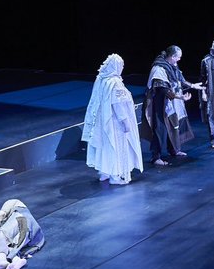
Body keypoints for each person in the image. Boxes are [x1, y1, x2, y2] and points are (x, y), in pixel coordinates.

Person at [81, 53, 143, 185]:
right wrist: (125, 121)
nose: (122, 67)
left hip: (102, 120)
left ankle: (105, 172)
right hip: (114, 122)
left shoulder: (101, 79)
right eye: (121, 65)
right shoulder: (114, 83)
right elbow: (118, 104)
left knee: (105, 146)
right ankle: (115, 176)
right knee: (116, 146)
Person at [142, 45, 202, 166]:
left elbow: (179, 79)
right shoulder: (159, 68)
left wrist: (192, 85)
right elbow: (163, 89)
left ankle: (174, 149)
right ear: (172, 56)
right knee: (160, 128)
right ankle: (156, 156)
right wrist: (180, 97)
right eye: (178, 57)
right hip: (160, 102)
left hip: (172, 101)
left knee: (174, 124)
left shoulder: (172, 66)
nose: (179, 59)